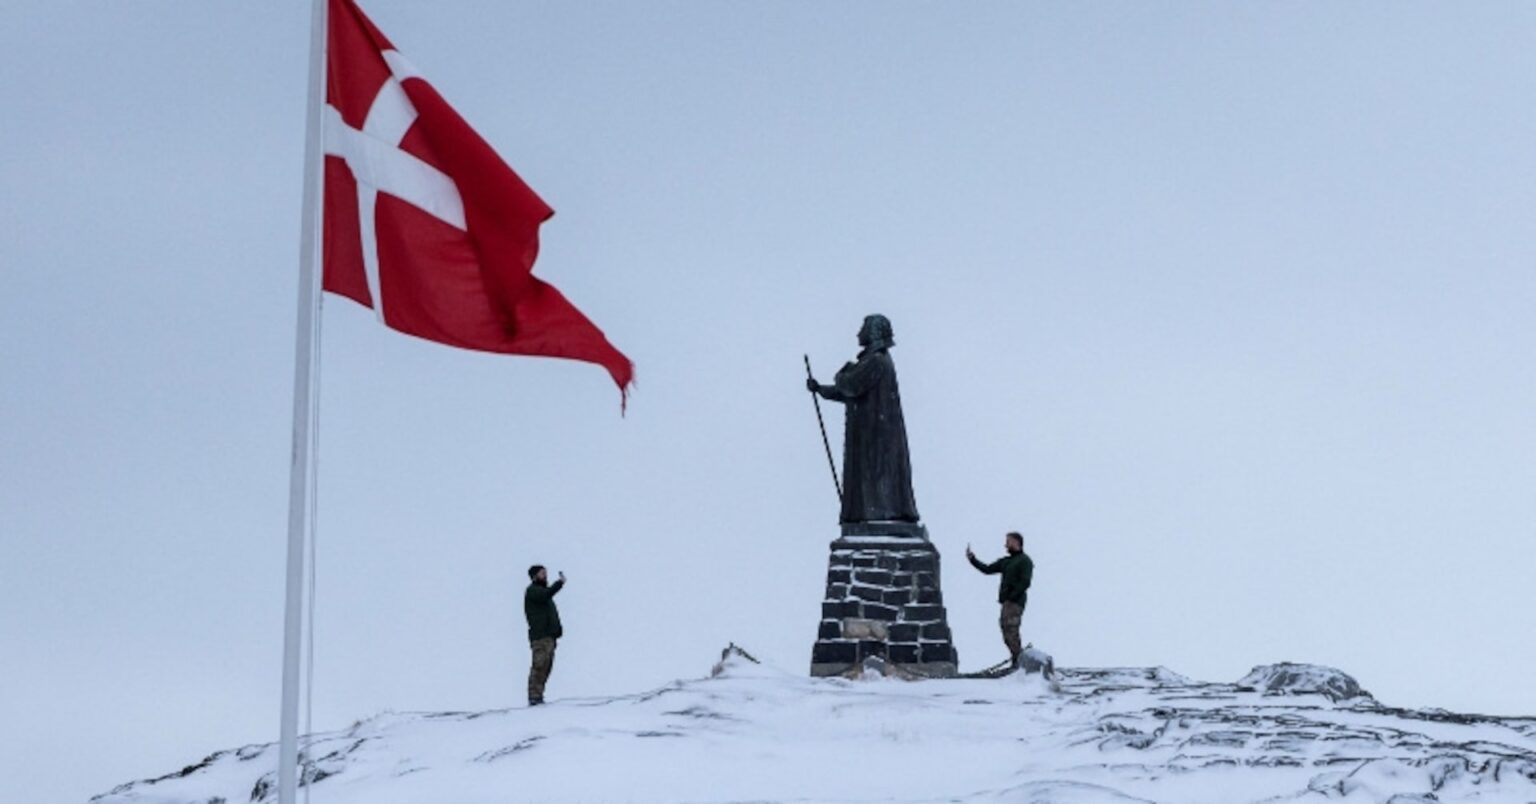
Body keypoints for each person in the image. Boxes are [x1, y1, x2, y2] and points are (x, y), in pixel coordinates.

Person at [805, 314, 920, 524]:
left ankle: (881, 513)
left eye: (863, 328)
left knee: (876, 476)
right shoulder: (875, 360)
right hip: (874, 431)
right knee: (873, 476)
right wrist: (821, 390)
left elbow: (850, 385)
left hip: (876, 434)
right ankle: (875, 512)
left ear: (874, 332)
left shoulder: (875, 360)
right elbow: (853, 392)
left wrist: (841, 374)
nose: (858, 333)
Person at [966, 532, 1034, 669]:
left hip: (1015, 602)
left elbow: (1025, 582)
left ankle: (1018, 659)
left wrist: (1013, 595)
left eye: (1008, 541)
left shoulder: (1024, 560)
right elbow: (987, 569)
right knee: (1005, 628)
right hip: (1007, 602)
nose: (1005, 545)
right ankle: (1017, 657)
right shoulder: (1006, 561)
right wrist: (972, 559)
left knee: (1011, 628)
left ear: (1016, 542)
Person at [524, 564, 565, 706]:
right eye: (542, 573)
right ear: (535, 576)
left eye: (546, 573)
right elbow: (546, 594)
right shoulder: (533, 591)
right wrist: (559, 583)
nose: (545, 576)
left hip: (549, 637)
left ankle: (538, 696)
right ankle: (534, 697)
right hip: (540, 637)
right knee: (539, 666)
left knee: (547, 667)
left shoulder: (544, 594)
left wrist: (557, 631)